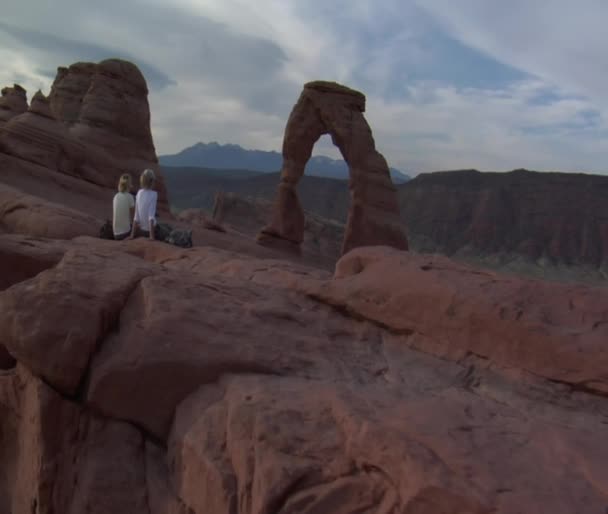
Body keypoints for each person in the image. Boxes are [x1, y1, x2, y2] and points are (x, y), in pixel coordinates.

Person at [130, 168, 158, 240]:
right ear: (151, 181)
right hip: (150, 230)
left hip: (142, 230)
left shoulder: (139, 193)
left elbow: (136, 216)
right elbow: (151, 216)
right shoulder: (154, 194)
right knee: (167, 229)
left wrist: (132, 235)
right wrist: (151, 236)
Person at [112, 174, 135, 240]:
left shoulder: (116, 196)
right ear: (129, 185)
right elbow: (134, 217)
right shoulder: (130, 197)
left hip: (115, 234)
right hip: (125, 234)